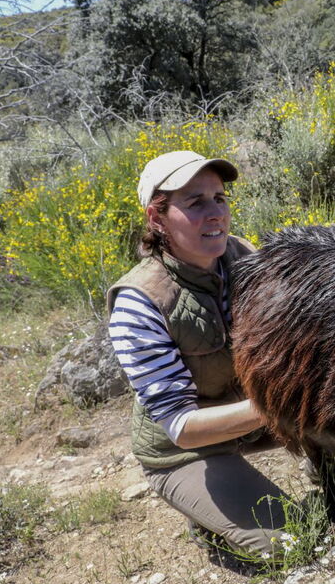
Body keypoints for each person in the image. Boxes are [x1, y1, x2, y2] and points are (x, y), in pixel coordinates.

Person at [107, 150, 286, 558]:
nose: (215, 213)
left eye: (219, 198)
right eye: (195, 202)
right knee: (287, 542)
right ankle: (203, 509)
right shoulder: (140, 302)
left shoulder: (245, 258)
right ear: (157, 218)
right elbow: (182, 426)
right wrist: (285, 403)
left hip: (253, 417)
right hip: (183, 449)